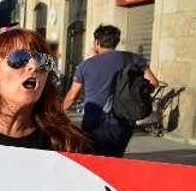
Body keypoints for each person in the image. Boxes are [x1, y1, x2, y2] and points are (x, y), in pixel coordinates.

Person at [62, 24, 158, 157]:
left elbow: (72, 96)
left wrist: (59, 112)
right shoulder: (132, 58)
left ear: (97, 42)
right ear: (116, 42)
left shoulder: (86, 65)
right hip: (124, 121)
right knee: (115, 159)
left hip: (94, 122)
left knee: (93, 162)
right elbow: (153, 82)